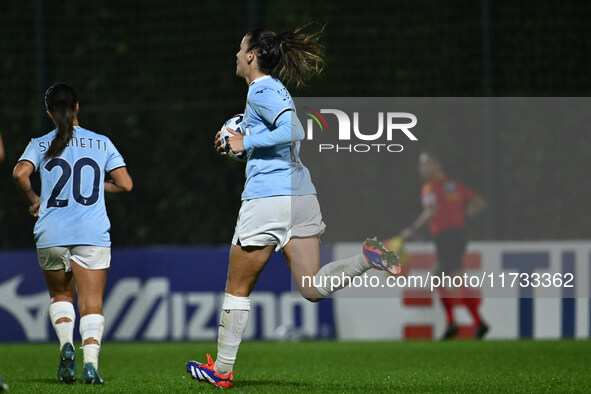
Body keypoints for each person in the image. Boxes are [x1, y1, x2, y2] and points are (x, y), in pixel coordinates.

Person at [185, 26, 401, 389]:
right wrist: (246, 143)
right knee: (312, 287)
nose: (236, 55)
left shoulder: (263, 88)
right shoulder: (269, 91)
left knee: (237, 288)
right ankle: (367, 257)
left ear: (252, 55)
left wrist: (245, 140)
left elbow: (294, 130)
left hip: (268, 198)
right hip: (301, 197)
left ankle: (222, 370)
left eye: (240, 49)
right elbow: (279, 134)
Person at [13, 83, 133, 385]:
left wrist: (35, 200)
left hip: (51, 230)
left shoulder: (40, 144)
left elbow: (19, 174)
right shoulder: (102, 143)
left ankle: (66, 343)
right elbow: (125, 184)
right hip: (91, 232)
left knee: (60, 294)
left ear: (49, 113)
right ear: (78, 107)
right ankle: (90, 363)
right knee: (92, 303)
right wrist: (98, 187)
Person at [400, 151, 488, 339]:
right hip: (457, 235)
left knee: (455, 279)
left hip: (446, 237)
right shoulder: (453, 185)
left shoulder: (430, 187)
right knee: (438, 278)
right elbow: (479, 203)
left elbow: (431, 210)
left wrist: (412, 229)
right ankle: (455, 323)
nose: (421, 168)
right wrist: (463, 217)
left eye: (425, 163)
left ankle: (476, 323)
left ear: (437, 165)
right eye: (420, 164)